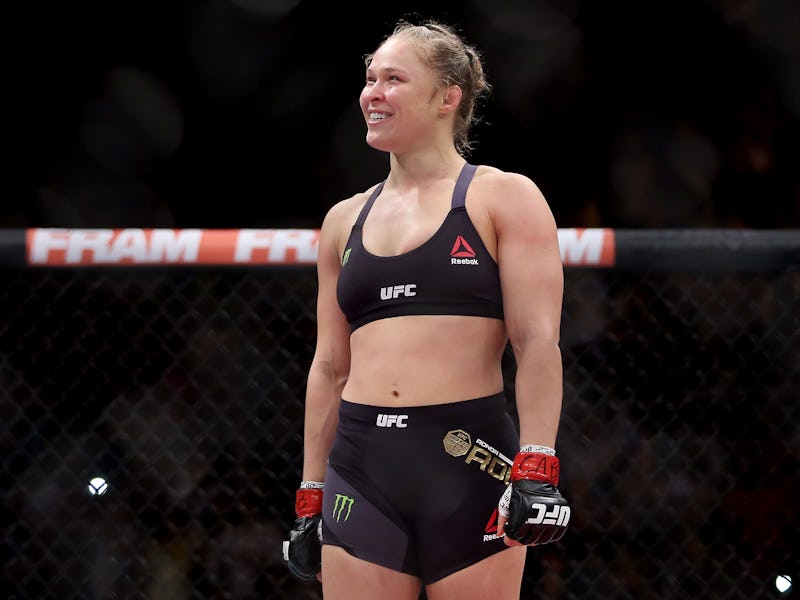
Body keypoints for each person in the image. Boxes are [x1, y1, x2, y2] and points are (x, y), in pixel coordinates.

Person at [283, 18, 570, 599]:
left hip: (467, 457)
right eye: (370, 79)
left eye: (394, 79)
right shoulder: (343, 220)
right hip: (362, 464)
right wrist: (310, 493)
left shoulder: (502, 197)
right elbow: (329, 366)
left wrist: (538, 462)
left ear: (447, 98)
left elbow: (536, 341)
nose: (373, 93)